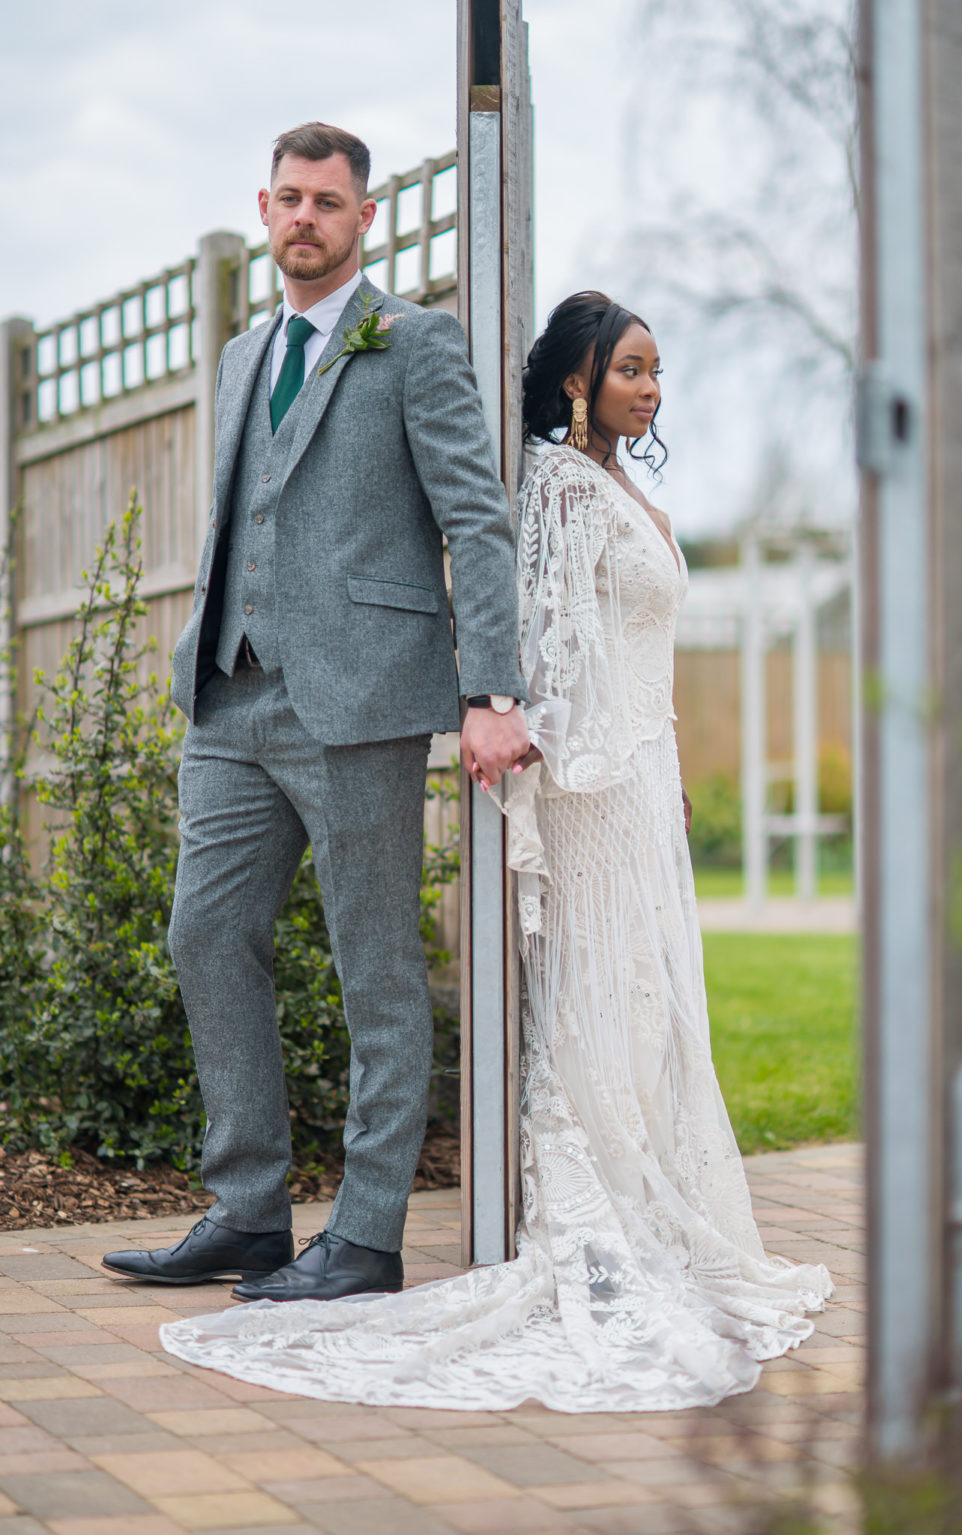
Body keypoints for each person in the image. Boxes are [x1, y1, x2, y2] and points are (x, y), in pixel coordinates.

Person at [159, 291, 832, 1412]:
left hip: (629, 783)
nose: (650, 387)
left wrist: (624, 763)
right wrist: (507, 708)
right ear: (577, 378)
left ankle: (404, 1230)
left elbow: (557, 605)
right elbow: (548, 630)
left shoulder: (606, 480)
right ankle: (253, 1210)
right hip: (575, 776)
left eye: (657, 369)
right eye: (631, 366)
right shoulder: (559, 485)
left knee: (625, 1004)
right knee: (217, 933)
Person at [102, 122, 530, 1302]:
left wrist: (491, 690)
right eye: (287, 199)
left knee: (376, 966)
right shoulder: (244, 352)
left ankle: (369, 1232)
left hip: (360, 702)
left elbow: (474, 521)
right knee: (203, 933)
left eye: (327, 203)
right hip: (230, 698)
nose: (303, 218)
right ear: (264, 205)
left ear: (363, 217)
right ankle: (247, 1211)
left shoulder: (414, 344)